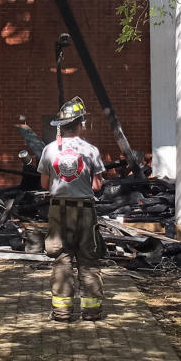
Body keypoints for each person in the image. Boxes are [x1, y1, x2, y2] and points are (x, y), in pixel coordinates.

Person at [37, 96, 106, 322]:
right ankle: (92, 312)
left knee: (62, 259)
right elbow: (97, 185)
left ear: (61, 126)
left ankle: (62, 313)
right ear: (80, 124)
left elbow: (45, 185)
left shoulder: (49, 150)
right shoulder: (91, 150)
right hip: (85, 211)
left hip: (58, 212)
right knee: (88, 259)